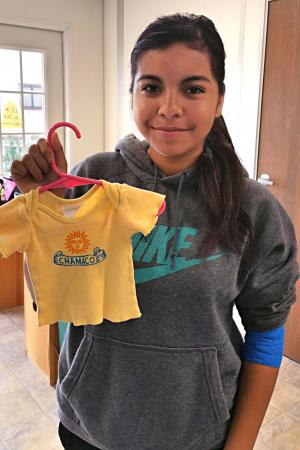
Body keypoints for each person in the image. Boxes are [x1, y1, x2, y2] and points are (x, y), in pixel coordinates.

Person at [11, 13, 298, 450]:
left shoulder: (253, 210)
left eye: (193, 88)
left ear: (219, 99)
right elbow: (55, 294)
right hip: (89, 428)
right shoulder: (93, 180)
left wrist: (239, 446)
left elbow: (266, 332)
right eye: (151, 87)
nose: (169, 107)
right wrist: (44, 216)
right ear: (133, 94)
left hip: (197, 437)